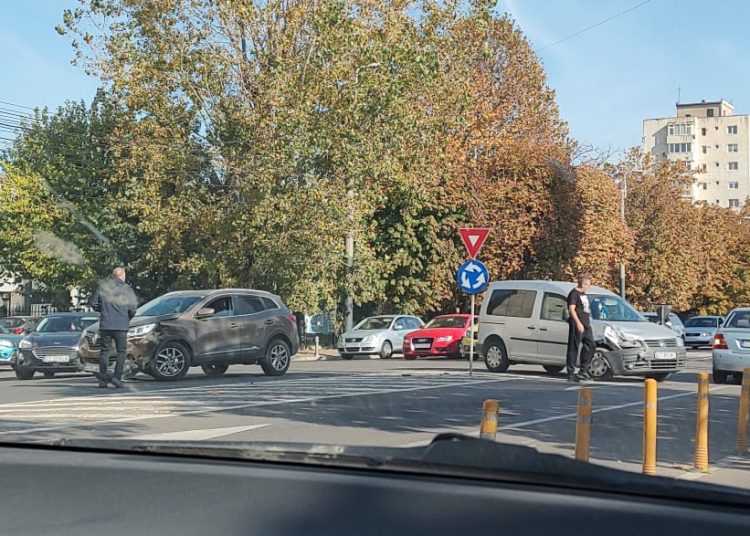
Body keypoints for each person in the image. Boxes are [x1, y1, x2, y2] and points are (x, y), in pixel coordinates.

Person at [90, 267, 138, 389]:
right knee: (121, 352)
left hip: (106, 324)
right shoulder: (126, 289)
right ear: (122, 275)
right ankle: (117, 378)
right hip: (121, 325)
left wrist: (104, 310)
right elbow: (133, 308)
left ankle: (102, 381)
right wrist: (127, 317)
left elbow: (94, 303)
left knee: (104, 351)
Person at [566, 273, 595, 383]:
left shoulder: (584, 294)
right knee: (574, 348)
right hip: (577, 324)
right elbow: (571, 309)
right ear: (583, 284)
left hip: (586, 324)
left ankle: (583, 370)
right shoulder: (574, 293)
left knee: (591, 345)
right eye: (587, 285)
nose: (588, 287)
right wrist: (578, 323)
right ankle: (571, 372)